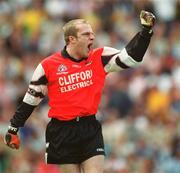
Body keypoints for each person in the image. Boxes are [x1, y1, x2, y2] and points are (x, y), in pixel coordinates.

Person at [4, 10, 155, 173]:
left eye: (92, 33)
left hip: (89, 127)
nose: (92, 37)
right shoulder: (47, 66)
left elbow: (131, 58)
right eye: (86, 34)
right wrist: (13, 128)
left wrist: (145, 32)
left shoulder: (99, 56)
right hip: (61, 132)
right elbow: (30, 100)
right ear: (71, 40)